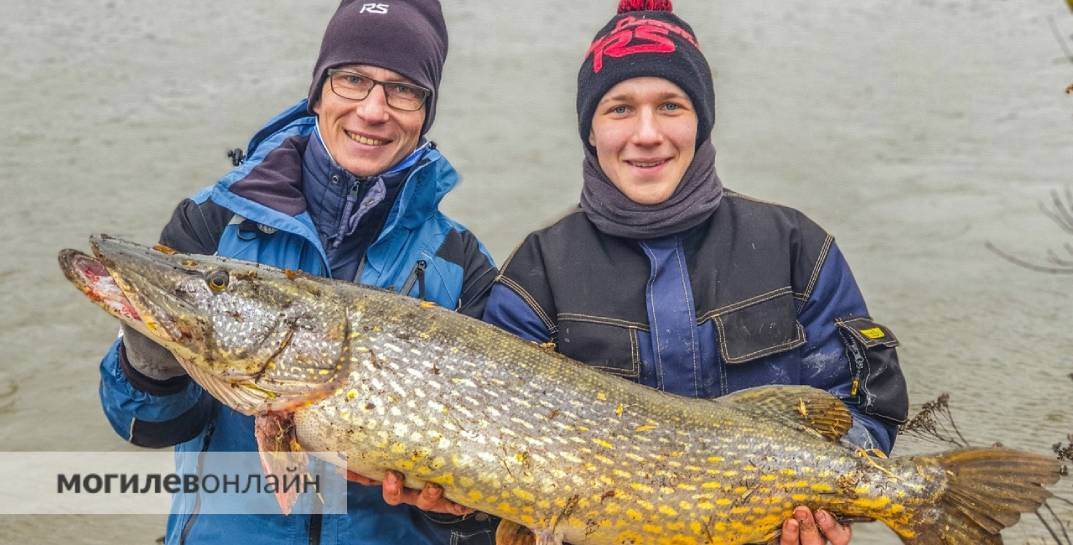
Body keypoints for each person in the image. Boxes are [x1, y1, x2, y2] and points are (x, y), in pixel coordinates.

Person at [482, 2, 910, 544]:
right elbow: (495, 457)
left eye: (670, 105)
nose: (647, 133)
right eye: (619, 109)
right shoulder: (536, 273)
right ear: (590, 129)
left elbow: (860, 410)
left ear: (700, 121)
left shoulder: (797, 246)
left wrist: (832, 507)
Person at [96, 1, 499, 544]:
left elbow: (482, 498)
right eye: (353, 79)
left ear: (425, 111)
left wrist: (455, 510)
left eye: (403, 89)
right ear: (319, 90)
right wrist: (151, 351)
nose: (374, 110)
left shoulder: (462, 263)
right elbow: (145, 425)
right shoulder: (215, 220)